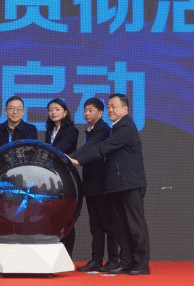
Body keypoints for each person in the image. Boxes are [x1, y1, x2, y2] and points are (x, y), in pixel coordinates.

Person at [70, 94, 150, 275]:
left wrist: (78, 160)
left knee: (134, 225)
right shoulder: (115, 128)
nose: (110, 109)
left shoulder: (126, 127)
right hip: (116, 186)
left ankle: (141, 263)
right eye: (109, 106)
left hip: (130, 184)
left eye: (114, 106)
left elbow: (102, 148)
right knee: (121, 226)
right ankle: (126, 261)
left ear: (125, 109)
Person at [75, 98, 119, 273]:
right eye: (85, 110)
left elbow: (90, 149)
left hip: (102, 185)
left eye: (90, 110)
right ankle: (96, 260)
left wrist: (68, 158)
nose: (86, 114)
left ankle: (113, 260)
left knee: (108, 224)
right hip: (91, 184)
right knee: (95, 225)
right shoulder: (90, 130)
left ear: (100, 113)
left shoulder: (103, 130)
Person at [44, 98, 79, 258]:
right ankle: (53, 255)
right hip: (51, 179)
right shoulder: (49, 131)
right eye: (50, 109)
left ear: (65, 112)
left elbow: (60, 149)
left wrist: (46, 152)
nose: (53, 112)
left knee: (66, 217)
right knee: (52, 217)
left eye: (57, 109)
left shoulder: (71, 131)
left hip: (65, 178)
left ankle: (66, 256)